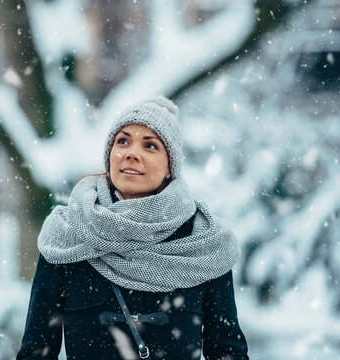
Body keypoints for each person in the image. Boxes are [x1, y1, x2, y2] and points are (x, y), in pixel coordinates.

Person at [16, 96, 249, 360]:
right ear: (109, 156)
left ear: (170, 167)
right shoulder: (67, 235)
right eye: (123, 141)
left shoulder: (205, 242)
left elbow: (228, 352)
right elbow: (37, 351)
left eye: (150, 145)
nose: (131, 153)